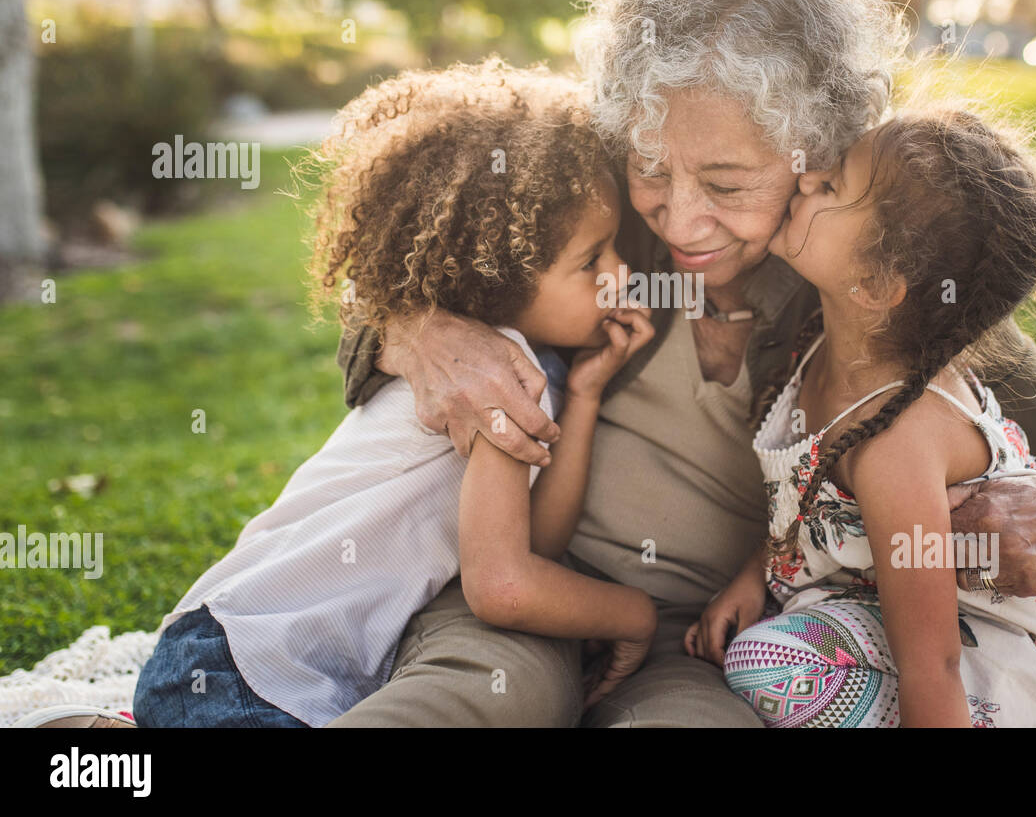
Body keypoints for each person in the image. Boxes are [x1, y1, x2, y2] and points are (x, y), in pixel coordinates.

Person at [329, 0, 1036, 728]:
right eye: (651, 167)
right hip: (535, 599)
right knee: (458, 703)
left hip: (711, 648)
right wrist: (415, 329)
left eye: (727, 185)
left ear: (820, 154)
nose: (679, 221)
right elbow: (409, 257)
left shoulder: (897, 291)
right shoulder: (591, 200)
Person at [127, 61, 656, 726]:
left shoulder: (529, 368)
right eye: (593, 260)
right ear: (501, 280)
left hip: (250, 657)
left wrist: (582, 398)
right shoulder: (498, 371)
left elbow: (533, 546)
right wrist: (633, 615)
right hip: (239, 666)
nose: (622, 273)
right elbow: (503, 587)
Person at [695, 105, 1036, 727]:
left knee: (766, 661)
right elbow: (805, 504)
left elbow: (932, 665)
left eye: (831, 186)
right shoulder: (824, 346)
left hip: (996, 658)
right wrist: (754, 574)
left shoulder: (899, 442)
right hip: (876, 601)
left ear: (876, 283)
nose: (806, 179)